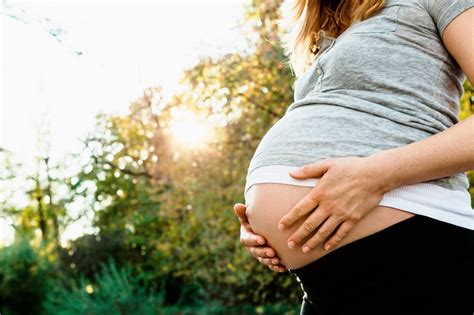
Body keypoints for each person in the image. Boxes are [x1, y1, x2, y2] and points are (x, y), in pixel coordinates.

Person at [234, 0, 474, 314]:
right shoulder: (325, 31)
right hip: (322, 282)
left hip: (412, 253)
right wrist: (263, 223)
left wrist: (375, 176)